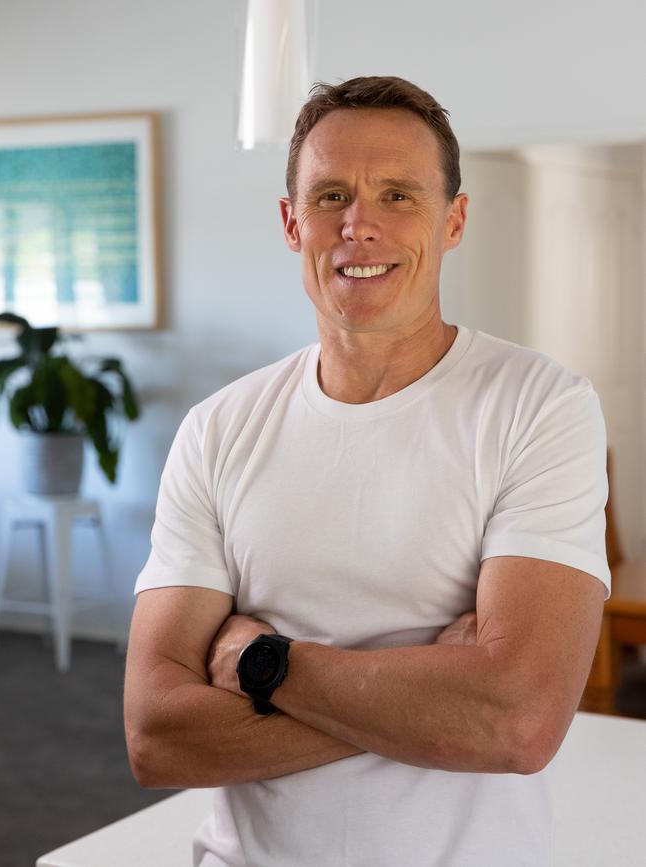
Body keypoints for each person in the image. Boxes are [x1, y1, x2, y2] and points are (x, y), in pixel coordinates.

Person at [124, 76, 610, 867]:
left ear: (453, 220)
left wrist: (260, 662)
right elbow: (155, 734)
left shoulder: (540, 405)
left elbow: (518, 722)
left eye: (397, 196)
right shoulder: (218, 429)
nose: (360, 226)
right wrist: (440, 696)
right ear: (291, 222)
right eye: (331, 196)